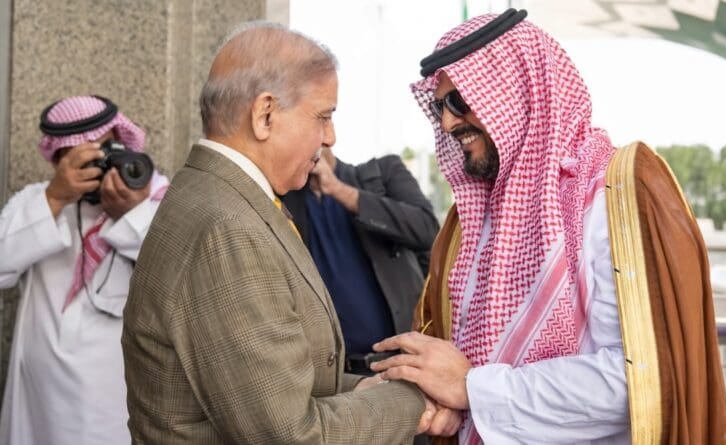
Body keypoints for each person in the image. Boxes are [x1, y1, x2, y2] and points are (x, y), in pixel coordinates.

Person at [371, 9, 726, 445]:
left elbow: (634, 383)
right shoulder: (469, 218)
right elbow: (452, 357)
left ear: (516, 92)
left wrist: (473, 390)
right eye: (439, 106)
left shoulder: (613, 195)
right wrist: (444, 400)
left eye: (460, 101)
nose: (447, 123)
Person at [122, 22, 458, 444]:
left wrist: (369, 389)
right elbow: (290, 435)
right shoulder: (228, 229)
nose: (331, 137)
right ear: (265, 115)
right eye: (323, 116)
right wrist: (415, 401)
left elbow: (271, 387)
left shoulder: (222, 197)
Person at [0, 95, 169, 444]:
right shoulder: (37, 199)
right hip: (38, 404)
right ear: (59, 160)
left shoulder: (157, 202)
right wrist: (54, 199)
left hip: (110, 403)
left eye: (104, 152)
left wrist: (131, 214)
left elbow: (177, 275)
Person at [282, 146, 439, 374]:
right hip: (341, 377)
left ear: (327, 133)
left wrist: (338, 190)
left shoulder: (383, 173)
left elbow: (427, 230)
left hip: (405, 364)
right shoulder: (284, 201)